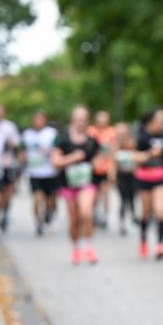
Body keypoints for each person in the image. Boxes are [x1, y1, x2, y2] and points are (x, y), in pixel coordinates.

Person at [52, 105, 103, 265]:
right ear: (72, 120)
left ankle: (88, 246)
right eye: (78, 119)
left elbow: (98, 159)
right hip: (68, 184)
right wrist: (72, 158)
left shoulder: (92, 140)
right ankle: (75, 247)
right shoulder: (63, 139)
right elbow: (55, 162)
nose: (81, 123)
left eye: (84, 120)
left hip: (87, 183)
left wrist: (96, 164)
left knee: (86, 213)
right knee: (74, 219)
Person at [134, 108, 163, 259]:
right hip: (144, 177)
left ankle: (160, 245)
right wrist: (150, 154)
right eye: (159, 120)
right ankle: (143, 239)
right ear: (151, 120)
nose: (161, 123)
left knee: (160, 211)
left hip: (160, 177)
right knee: (146, 213)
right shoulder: (142, 136)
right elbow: (135, 157)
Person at [21, 110, 59, 236]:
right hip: (34, 172)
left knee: (49, 199)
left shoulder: (51, 134)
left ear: (45, 120)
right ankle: (38, 223)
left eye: (40, 119)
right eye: (36, 119)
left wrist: (49, 151)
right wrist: (22, 157)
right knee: (37, 198)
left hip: (49, 172)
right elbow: (21, 151)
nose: (38, 122)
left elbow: (59, 149)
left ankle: (48, 213)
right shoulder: (27, 134)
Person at [0, 104, 22, 233]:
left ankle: (4, 212)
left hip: (7, 163)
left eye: (0, 112)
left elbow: (17, 144)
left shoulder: (9, 127)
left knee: (7, 190)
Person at [88, 110, 117, 230]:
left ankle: (105, 216)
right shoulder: (91, 131)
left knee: (105, 193)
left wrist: (113, 168)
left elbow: (113, 150)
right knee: (93, 194)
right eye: (100, 118)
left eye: (104, 119)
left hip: (106, 167)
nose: (102, 121)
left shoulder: (111, 132)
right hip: (93, 167)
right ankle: (94, 213)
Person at [112, 122, 138, 236]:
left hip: (132, 174)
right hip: (121, 175)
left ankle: (133, 215)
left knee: (132, 197)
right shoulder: (115, 144)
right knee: (123, 199)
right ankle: (122, 223)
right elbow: (112, 161)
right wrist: (112, 174)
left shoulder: (132, 143)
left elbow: (137, 157)